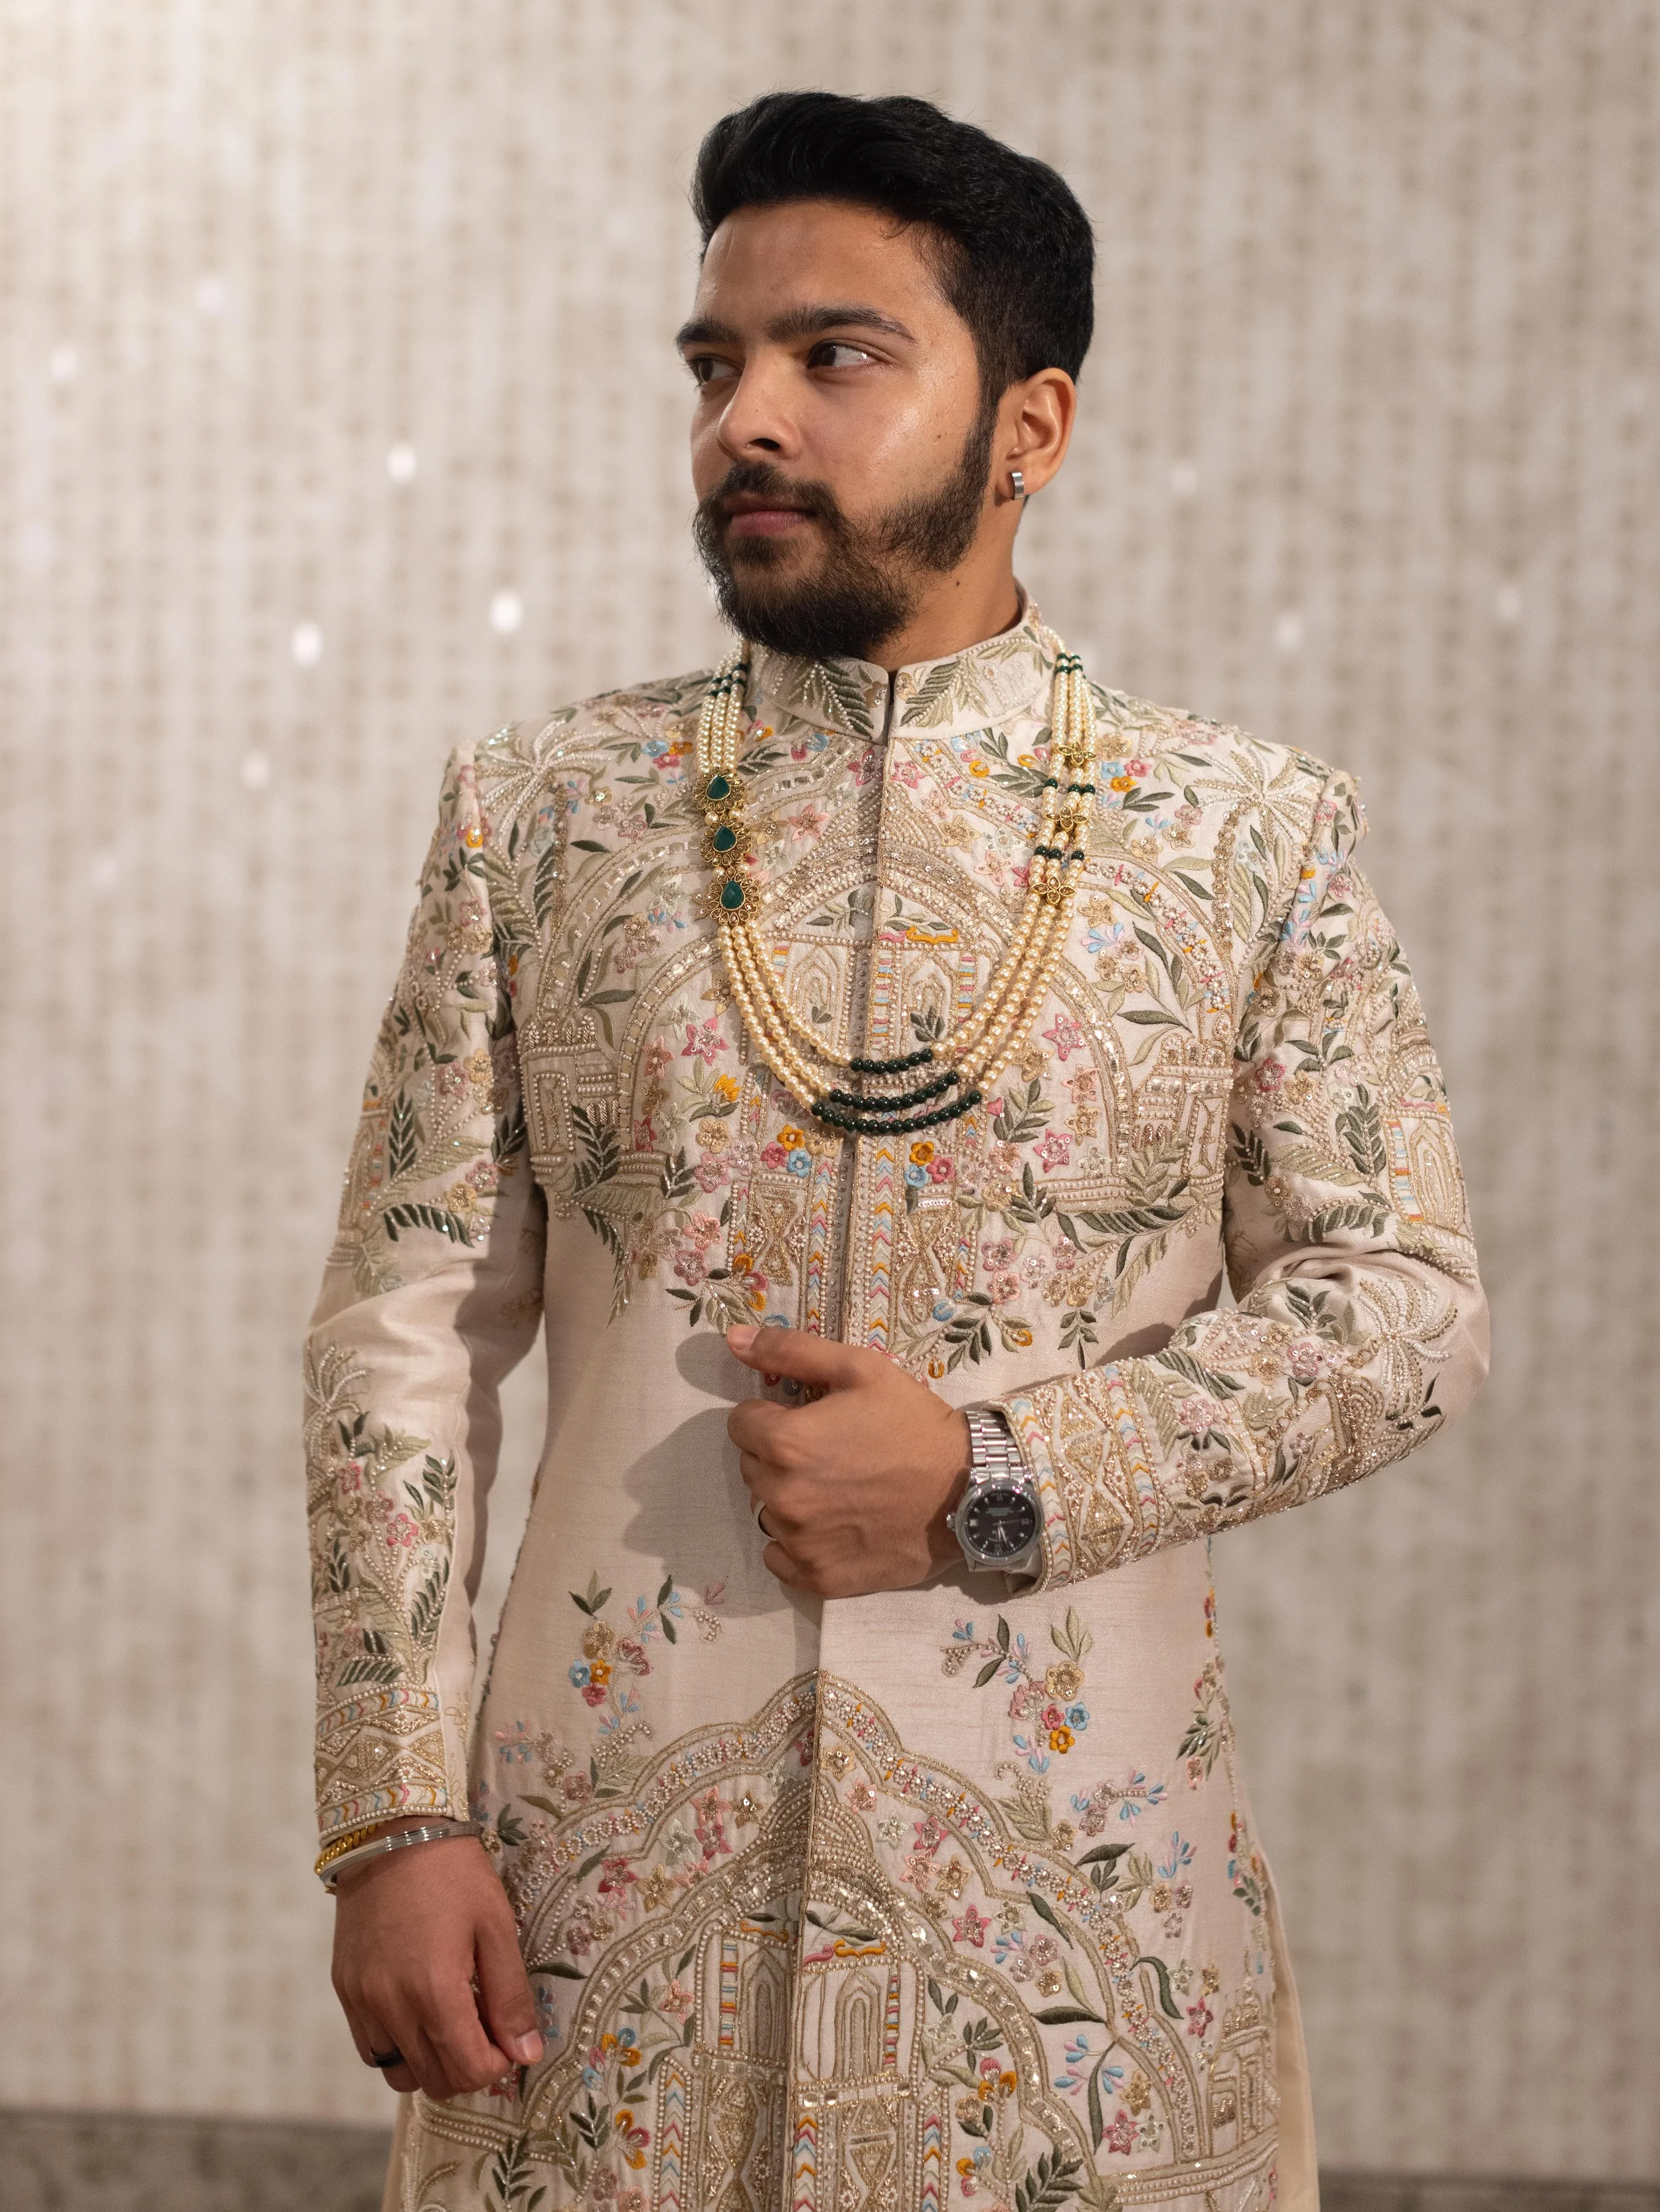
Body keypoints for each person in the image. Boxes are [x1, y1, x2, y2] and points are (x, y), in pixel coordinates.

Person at [307, 91, 1486, 2212]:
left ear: (1026, 426)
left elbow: (1397, 1310)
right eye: (714, 364)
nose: (747, 417)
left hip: (1074, 1918)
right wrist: (397, 1820)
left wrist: (999, 1474)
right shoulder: (540, 815)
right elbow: (401, 1334)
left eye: (834, 357)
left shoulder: (1240, 834)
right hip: (586, 1907)